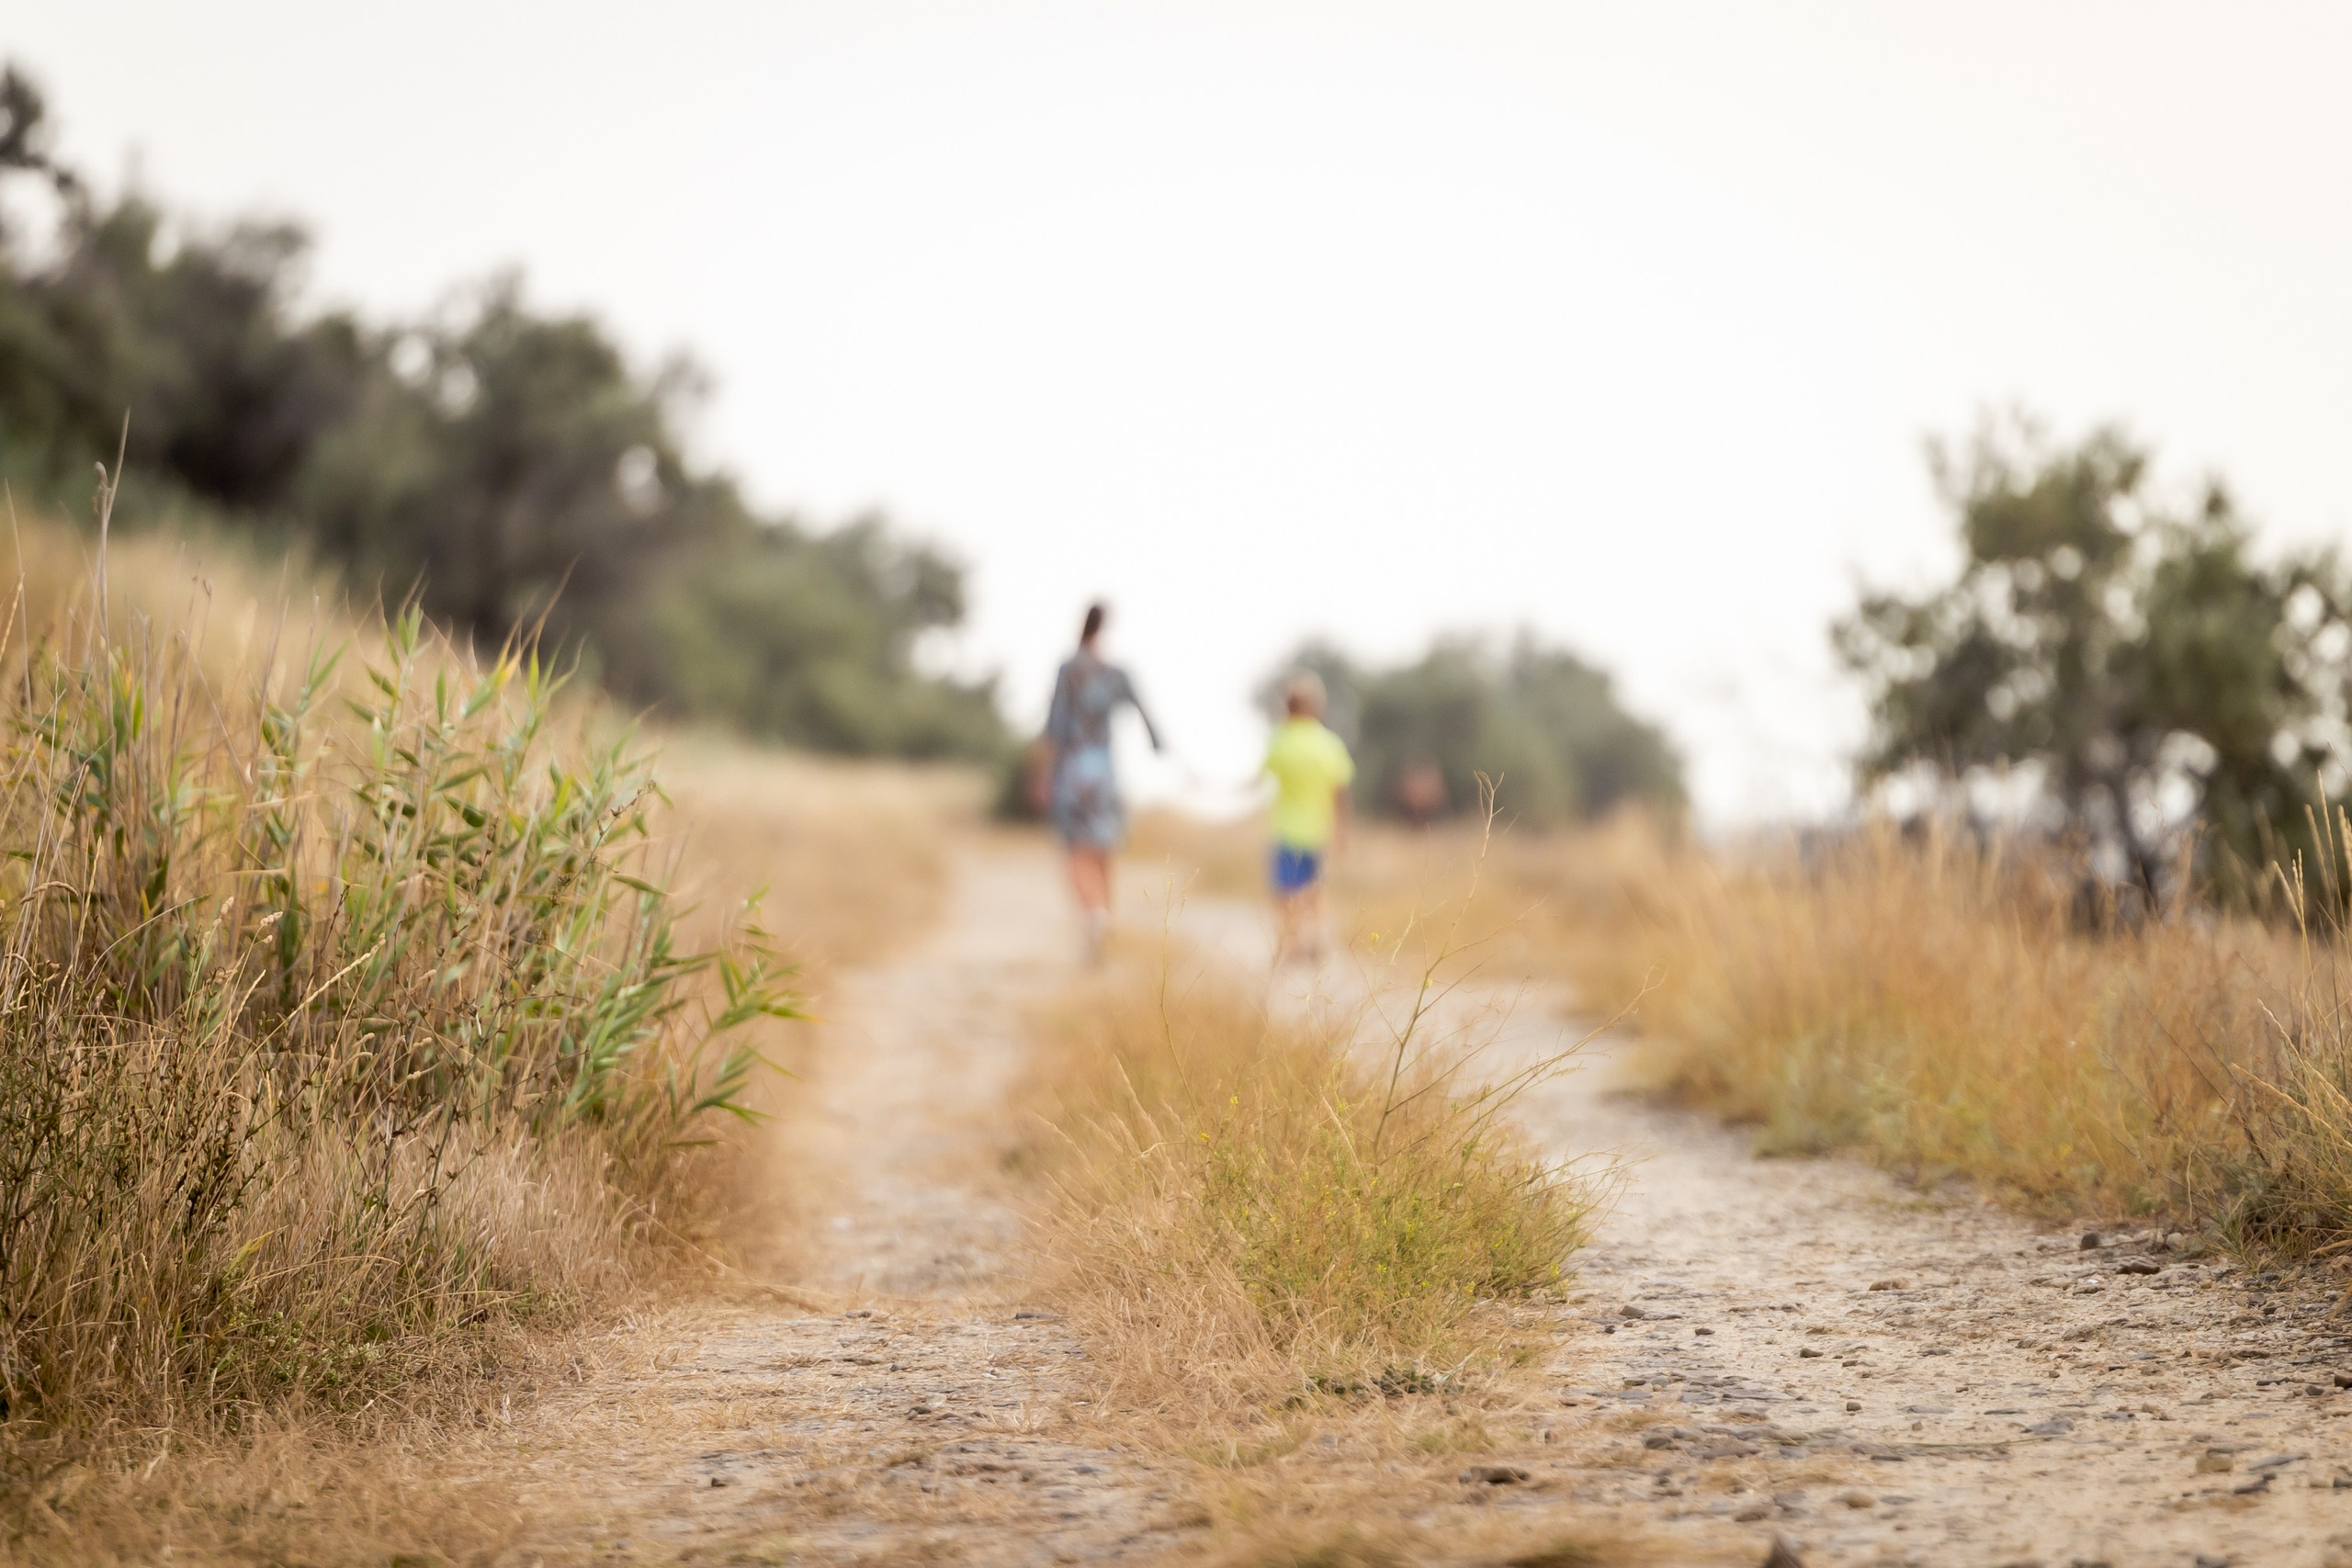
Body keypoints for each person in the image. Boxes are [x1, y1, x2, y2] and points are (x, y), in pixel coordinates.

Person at [1030, 602, 1162, 961]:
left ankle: (1094, 916)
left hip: (1073, 770)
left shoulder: (1069, 669)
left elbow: (1056, 725)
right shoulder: (1116, 672)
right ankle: (1105, 919)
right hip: (1105, 772)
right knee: (1104, 850)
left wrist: (1041, 776)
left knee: (1077, 853)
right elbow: (1146, 713)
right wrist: (1158, 744)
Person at [1261, 671, 1355, 964]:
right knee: (1315, 889)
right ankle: (1315, 937)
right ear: (1315, 707)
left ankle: (1291, 944)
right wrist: (1342, 830)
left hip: (1287, 831)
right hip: (1318, 831)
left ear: (1288, 706)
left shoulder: (1281, 740)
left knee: (1285, 892)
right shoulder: (1328, 743)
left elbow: (1259, 778)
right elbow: (1341, 789)